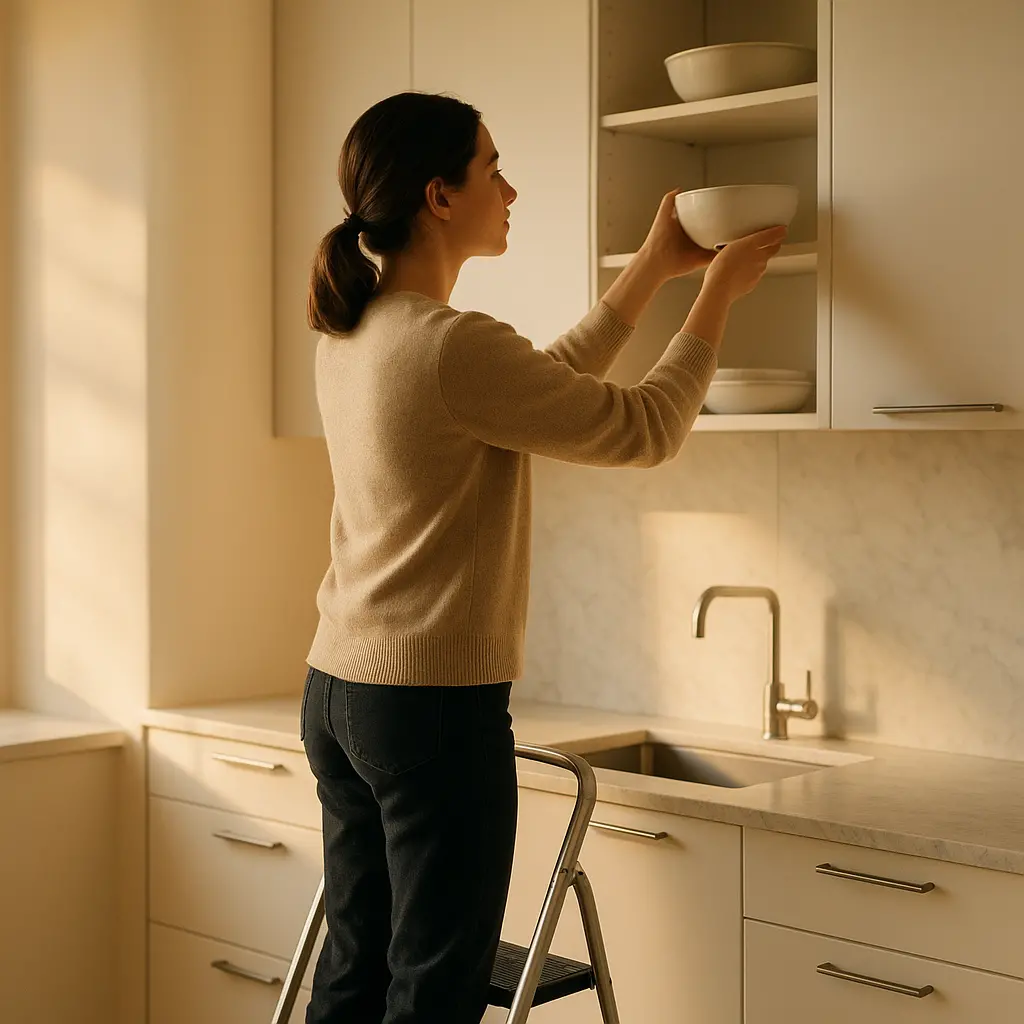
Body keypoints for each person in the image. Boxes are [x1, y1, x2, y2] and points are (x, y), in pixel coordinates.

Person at [299, 90, 786, 1024]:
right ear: (440, 197)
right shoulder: (448, 347)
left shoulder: (358, 333)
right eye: (493, 170)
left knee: (357, 972)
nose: (510, 188)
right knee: (434, 991)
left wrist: (652, 271)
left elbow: (540, 387)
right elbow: (646, 430)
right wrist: (719, 295)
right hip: (431, 711)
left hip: (337, 691)